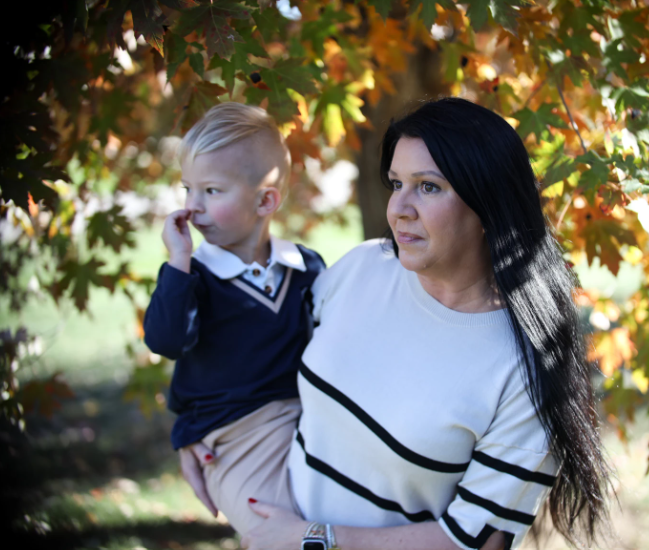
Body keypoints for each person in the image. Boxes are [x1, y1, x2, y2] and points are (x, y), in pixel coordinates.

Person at [183, 97, 611, 549]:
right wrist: (204, 428)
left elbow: (474, 542)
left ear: (489, 204)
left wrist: (314, 540)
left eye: (428, 187)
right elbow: (262, 359)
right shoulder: (362, 268)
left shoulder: (523, 370)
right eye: (396, 184)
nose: (399, 209)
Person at [143, 102, 325, 535]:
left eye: (212, 191)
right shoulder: (192, 276)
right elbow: (167, 341)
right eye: (188, 188)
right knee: (278, 536)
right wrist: (179, 261)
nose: (193, 207)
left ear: (265, 200)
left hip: (311, 420)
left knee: (341, 522)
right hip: (233, 434)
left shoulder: (305, 267)